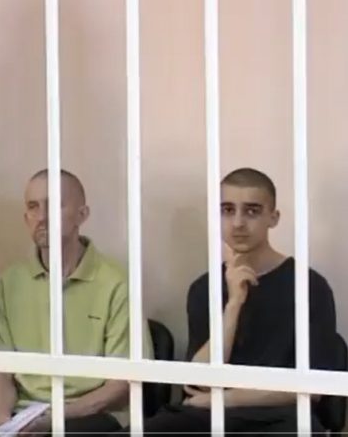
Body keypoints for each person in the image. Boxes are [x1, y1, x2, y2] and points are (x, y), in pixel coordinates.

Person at [0, 169, 153, 436]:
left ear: (82, 215)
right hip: (22, 412)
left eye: (54, 205)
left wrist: (54, 419)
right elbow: (2, 374)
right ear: (26, 218)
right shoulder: (8, 283)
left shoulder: (117, 284)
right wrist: (2, 421)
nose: (42, 217)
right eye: (33, 207)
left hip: (90, 415)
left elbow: (122, 384)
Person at [133, 167, 337, 436]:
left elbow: (313, 387)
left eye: (252, 211)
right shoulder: (204, 287)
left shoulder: (310, 286)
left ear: (273, 218)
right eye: (227, 210)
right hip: (208, 416)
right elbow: (198, 382)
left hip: (279, 419)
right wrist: (233, 305)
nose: (238, 223)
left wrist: (225, 399)